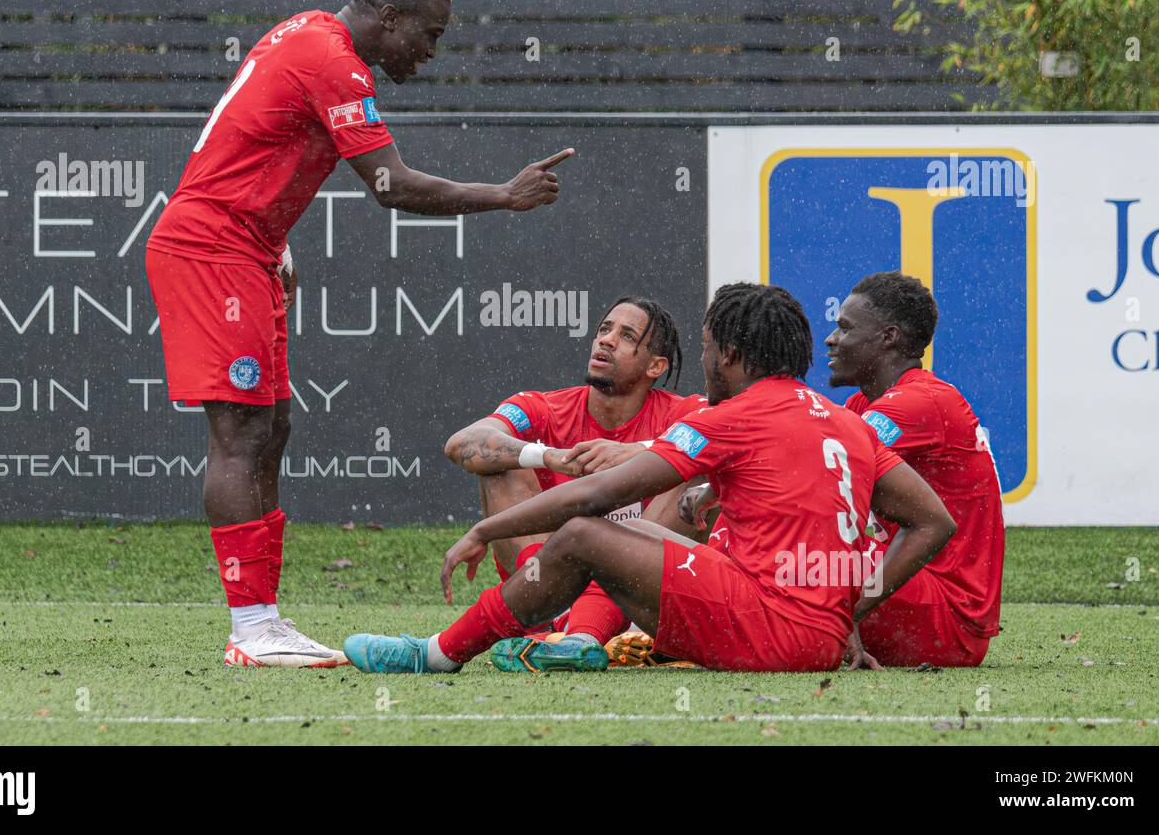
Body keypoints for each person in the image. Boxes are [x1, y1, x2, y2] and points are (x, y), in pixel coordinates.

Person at [145, 0, 573, 667]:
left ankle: (264, 623)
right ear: (390, 17)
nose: (429, 54)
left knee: (270, 427)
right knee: (240, 433)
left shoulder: (307, 36)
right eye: (428, 37)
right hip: (211, 249)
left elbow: (244, 143)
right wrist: (503, 195)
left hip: (247, 248)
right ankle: (251, 627)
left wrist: (273, 240)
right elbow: (391, 185)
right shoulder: (331, 58)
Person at [342, 282, 956, 674]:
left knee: (585, 532)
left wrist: (486, 530)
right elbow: (934, 520)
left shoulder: (732, 417)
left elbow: (599, 495)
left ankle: (437, 654)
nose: (707, 362)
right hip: (818, 633)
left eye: (711, 348)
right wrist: (849, 608)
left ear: (733, 357)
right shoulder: (848, 425)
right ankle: (573, 635)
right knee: (625, 530)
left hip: (765, 626)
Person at [443, 296, 705, 667]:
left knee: (702, 466)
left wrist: (642, 452)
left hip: (641, 596)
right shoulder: (544, 408)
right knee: (498, 462)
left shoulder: (683, 413)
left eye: (627, 336)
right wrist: (547, 455)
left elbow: (743, 428)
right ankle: (559, 623)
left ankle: (595, 630)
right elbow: (460, 444)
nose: (607, 340)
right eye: (604, 330)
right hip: (552, 589)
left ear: (656, 366)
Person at [825, 271, 1005, 667]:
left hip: (947, 621)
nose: (831, 339)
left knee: (793, 548)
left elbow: (805, 465)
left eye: (844, 328)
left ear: (887, 338)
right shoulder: (863, 405)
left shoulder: (922, 402)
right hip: (916, 600)